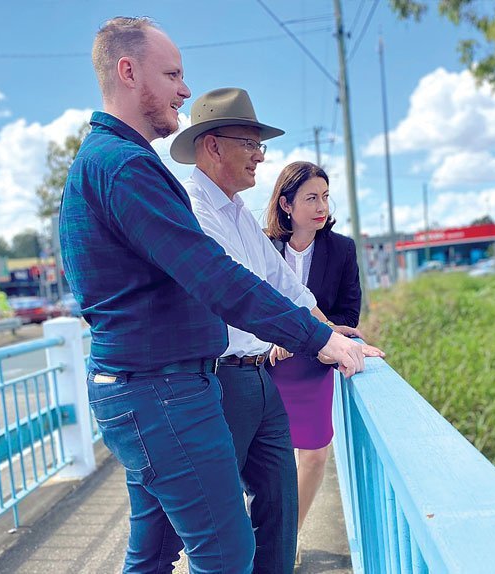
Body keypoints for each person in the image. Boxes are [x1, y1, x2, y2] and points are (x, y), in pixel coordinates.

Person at [59, 18, 370, 574]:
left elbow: (271, 281)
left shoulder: (116, 161)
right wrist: (320, 339)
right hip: (160, 388)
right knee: (225, 552)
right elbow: (216, 278)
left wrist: (324, 330)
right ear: (128, 72)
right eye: (172, 75)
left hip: (163, 384)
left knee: (157, 551)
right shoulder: (123, 166)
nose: (184, 90)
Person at [170, 88, 383, 573]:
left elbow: (286, 286)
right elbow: (240, 293)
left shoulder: (238, 213)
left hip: (258, 377)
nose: (260, 156)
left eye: (260, 145)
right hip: (220, 379)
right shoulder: (194, 210)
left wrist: (337, 337)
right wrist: (316, 339)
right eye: (250, 143)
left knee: (281, 509)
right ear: (213, 146)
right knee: (218, 525)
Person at [264, 161, 363, 554]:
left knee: (315, 456)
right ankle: (264, 535)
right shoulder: (263, 246)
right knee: (267, 461)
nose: (322, 206)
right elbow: (246, 305)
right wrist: (276, 337)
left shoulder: (341, 250)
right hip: (266, 366)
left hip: (314, 366)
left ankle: (288, 539)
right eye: (310, 198)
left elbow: (348, 316)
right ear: (286, 204)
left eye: (325, 196)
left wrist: (305, 338)